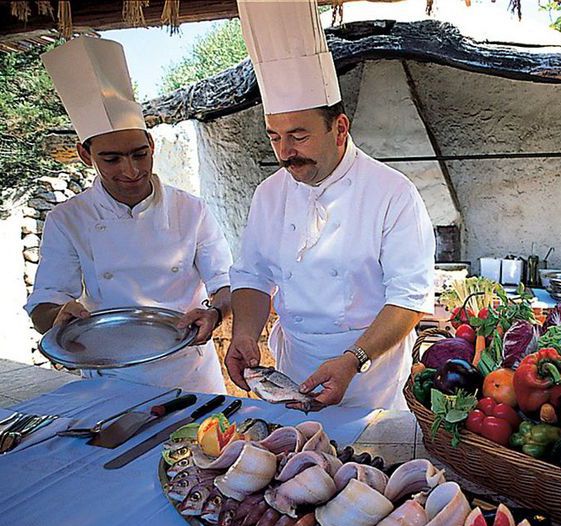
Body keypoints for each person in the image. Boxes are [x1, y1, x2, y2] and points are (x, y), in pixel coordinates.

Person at [225, 0, 435, 410]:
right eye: (274, 137)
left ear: (339, 129)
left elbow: (409, 298)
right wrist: (245, 333)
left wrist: (352, 360)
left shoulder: (392, 193)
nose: (285, 152)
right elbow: (252, 275)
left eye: (299, 136)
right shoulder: (269, 193)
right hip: (294, 367)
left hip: (369, 373)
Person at [25, 36, 233, 393]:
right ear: (85, 154)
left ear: (152, 145)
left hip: (190, 373)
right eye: (112, 159)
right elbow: (46, 301)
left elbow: (225, 282)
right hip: (110, 376)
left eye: (139, 154)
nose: (131, 170)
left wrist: (214, 313)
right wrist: (57, 318)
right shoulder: (68, 219)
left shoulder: (191, 209)